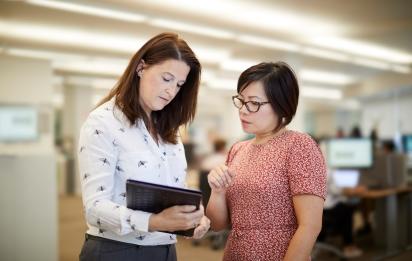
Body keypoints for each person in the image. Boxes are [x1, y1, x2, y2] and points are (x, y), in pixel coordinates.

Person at [77, 32, 210, 261]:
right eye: (166, 78)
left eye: (179, 85)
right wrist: (155, 222)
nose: (171, 91)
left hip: (166, 250)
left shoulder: (170, 130)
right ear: (141, 68)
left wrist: (195, 216)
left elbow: (176, 188)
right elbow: (94, 208)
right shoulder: (103, 123)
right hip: (117, 250)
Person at [206, 62, 327, 260]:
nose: (243, 110)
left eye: (254, 103)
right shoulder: (238, 149)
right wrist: (217, 191)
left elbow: (310, 226)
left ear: (282, 104)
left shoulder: (299, 146)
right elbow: (218, 225)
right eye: (241, 101)